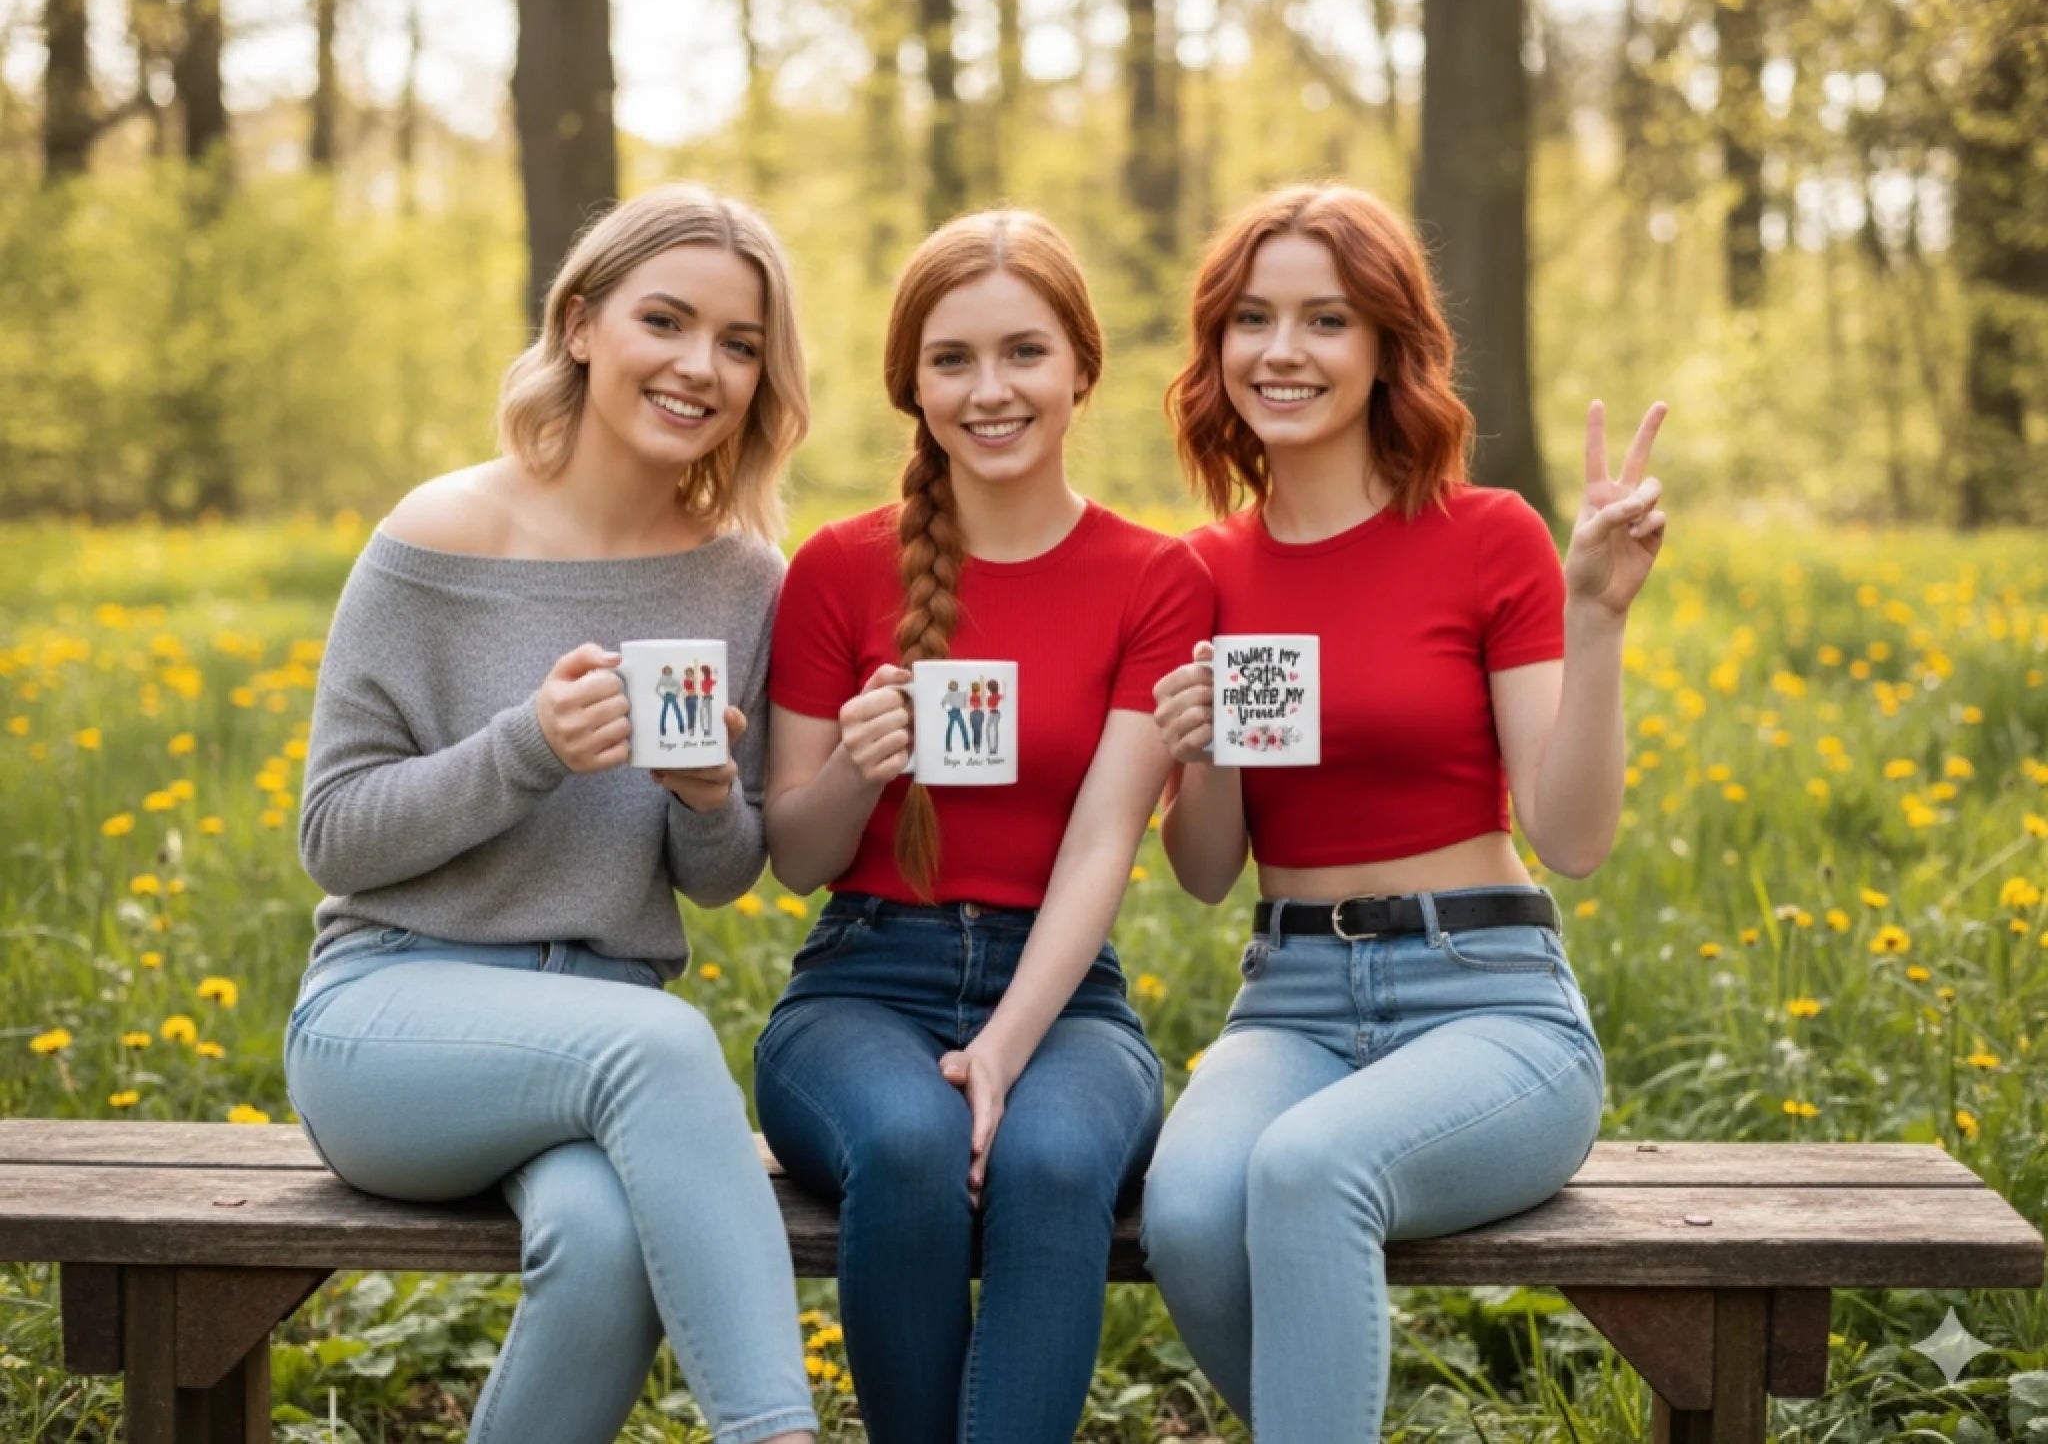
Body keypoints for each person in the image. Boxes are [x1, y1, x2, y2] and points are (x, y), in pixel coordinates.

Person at [287, 184, 819, 1444]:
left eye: (739, 345)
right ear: (581, 324)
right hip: (391, 1020)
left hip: (596, 1048)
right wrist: (524, 748)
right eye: (666, 320)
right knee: (667, 1044)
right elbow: (336, 833)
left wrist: (700, 801)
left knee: (601, 1240)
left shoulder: (744, 578)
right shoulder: (437, 534)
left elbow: (724, 872)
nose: (701, 366)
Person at [1140, 184, 1667, 1440]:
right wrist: (1199, 751)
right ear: (1215, 349)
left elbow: (1572, 837)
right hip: (1291, 998)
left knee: (1309, 1169)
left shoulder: (1485, 537)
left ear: (1384, 346)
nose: (1283, 351)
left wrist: (1596, 618)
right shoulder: (1202, 570)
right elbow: (1207, 873)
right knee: (1186, 1207)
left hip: (1487, 995)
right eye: (1252, 319)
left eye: (1325, 319)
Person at [755, 208, 1214, 1444]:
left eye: (1023, 352)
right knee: (906, 1143)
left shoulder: (1156, 578)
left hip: (1066, 998)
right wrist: (860, 762)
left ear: (1080, 367)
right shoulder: (835, 569)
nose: (988, 388)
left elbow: (1102, 844)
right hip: (859, 984)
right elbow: (796, 856)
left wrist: (1004, 1049)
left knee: (1052, 1165)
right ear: (909, 381)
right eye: (951, 358)